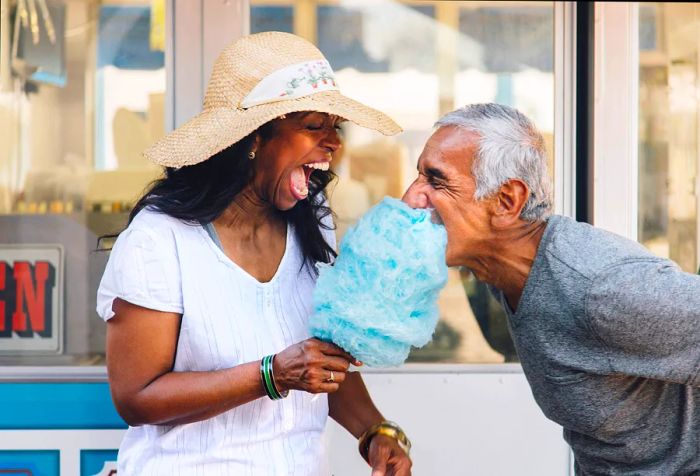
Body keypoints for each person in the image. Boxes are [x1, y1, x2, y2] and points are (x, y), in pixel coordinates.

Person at [97, 31, 412, 476]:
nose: (334, 143)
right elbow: (136, 397)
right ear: (255, 138)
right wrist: (270, 375)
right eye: (312, 126)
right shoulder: (160, 238)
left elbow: (319, 364)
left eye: (334, 127)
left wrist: (376, 432)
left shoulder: (312, 220)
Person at [402, 103, 700, 475]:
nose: (410, 198)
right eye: (418, 176)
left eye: (436, 180)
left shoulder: (603, 288)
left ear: (507, 201)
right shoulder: (499, 274)